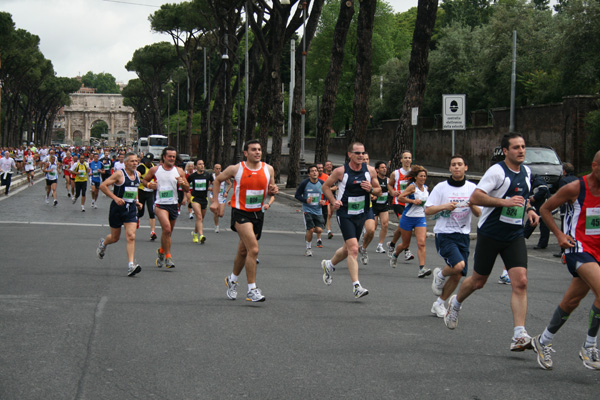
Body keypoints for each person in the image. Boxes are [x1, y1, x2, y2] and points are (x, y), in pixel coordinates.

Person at [444, 133, 539, 353]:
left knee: (521, 282)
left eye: (523, 146)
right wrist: (504, 201)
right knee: (478, 281)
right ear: (505, 151)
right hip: (491, 233)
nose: (521, 151)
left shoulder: (526, 171)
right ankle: (455, 303)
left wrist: (530, 209)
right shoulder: (497, 171)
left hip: (514, 234)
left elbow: (522, 197)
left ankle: (519, 334)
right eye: (516, 147)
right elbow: (476, 197)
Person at [531, 150, 600, 370]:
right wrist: (559, 236)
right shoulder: (575, 187)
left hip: (597, 251)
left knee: (571, 302)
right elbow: (545, 208)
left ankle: (542, 341)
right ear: (594, 165)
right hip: (577, 248)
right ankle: (589, 347)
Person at [211, 139, 279, 302]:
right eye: (254, 149)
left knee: (243, 251)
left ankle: (232, 280)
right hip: (240, 213)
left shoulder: (268, 169)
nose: (257, 152)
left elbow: (272, 189)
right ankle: (252, 289)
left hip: (258, 213)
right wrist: (215, 201)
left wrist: (274, 190)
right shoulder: (236, 168)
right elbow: (217, 180)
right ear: (246, 153)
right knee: (253, 250)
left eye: (260, 149)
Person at [320, 142, 381, 299]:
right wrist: (334, 201)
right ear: (349, 155)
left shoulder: (370, 171)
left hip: (362, 212)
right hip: (345, 213)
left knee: (347, 249)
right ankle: (356, 286)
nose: (361, 156)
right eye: (357, 153)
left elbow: (379, 190)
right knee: (354, 248)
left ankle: (329, 265)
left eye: (363, 153)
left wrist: (372, 190)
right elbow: (325, 187)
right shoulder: (340, 171)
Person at [425, 155, 481, 318]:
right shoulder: (441, 187)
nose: (456, 167)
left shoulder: (472, 188)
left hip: (463, 235)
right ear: (449, 168)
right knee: (458, 266)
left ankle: (439, 304)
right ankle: (440, 275)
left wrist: (473, 204)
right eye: (453, 165)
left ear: (466, 167)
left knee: (458, 273)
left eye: (459, 164)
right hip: (445, 234)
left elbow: (478, 213)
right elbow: (428, 210)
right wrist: (445, 206)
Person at [141, 146, 189, 269]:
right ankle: (168, 257)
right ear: (164, 157)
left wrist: (182, 183)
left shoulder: (179, 171)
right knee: (166, 229)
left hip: (173, 204)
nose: (172, 158)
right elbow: (144, 181)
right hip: (160, 204)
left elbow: (187, 189)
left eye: (174, 156)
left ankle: (161, 251)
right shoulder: (155, 170)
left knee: (168, 233)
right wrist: (150, 184)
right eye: (169, 156)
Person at [96, 152, 143, 277]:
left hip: (131, 208)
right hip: (117, 208)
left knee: (131, 236)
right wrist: (115, 198)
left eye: (136, 161)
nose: (134, 163)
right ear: (126, 163)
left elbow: (135, 188)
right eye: (132, 161)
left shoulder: (138, 174)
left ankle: (131, 265)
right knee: (115, 238)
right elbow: (103, 186)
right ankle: (103, 244)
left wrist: (137, 201)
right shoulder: (119, 174)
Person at [389, 165, 431, 278]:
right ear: (416, 177)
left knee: (421, 243)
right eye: (421, 176)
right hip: (407, 218)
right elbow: (401, 197)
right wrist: (413, 201)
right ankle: (395, 254)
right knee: (405, 244)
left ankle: (422, 268)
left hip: (420, 218)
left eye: (424, 176)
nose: (423, 178)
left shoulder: (426, 188)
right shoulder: (412, 187)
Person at [387, 150, 415, 261]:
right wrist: (392, 192)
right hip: (399, 202)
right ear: (401, 160)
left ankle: (392, 244)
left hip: (410, 203)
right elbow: (389, 185)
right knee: (405, 225)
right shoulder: (396, 173)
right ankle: (407, 250)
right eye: (405, 158)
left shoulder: (414, 173)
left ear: (411, 160)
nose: (407, 160)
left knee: (402, 226)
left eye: (409, 158)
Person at [295, 165, 326, 256]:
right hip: (307, 210)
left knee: (319, 230)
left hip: (318, 210)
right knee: (311, 229)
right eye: (312, 171)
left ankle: (308, 232)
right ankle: (308, 248)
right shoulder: (304, 183)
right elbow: (297, 195)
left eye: (316, 170)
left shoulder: (322, 183)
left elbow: (328, 193)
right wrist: (305, 200)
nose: (315, 172)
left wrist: (324, 201)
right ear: (309, 174)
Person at [553, 162, 578, 259]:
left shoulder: (564, 180)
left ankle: (563, 250)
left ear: (564, 171)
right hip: (576, 208)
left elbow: (561, 195)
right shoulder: (577, 179)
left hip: (566, 209)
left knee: (565, 228)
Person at [188, 159, 213, 244]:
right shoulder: (192, 176)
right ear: (196, 166)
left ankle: (195, 233)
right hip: (195, 198)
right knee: (199, 217)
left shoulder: (208, 175)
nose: (202, 166)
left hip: (204, 199)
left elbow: (215, 183)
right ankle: (201, 235)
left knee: (200, 219)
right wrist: (185, 196)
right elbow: (186, 186)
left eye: (203, 164)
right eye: (199, 164)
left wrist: (214, 190)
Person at [523, 174, 550, 249]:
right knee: (544, 226)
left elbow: (543, 189)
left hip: (541, 207)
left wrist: (534, 198)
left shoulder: (538, 181)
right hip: (542, 207)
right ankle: (542, 244)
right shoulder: (536, 181)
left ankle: (522, 238)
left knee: (532, 222)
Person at [358, 153, 375, 265]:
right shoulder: (352, 171)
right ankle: (351, 256)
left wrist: (373, 192)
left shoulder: (371, 172)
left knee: (371, 230)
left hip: (367, 207)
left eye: (367, 159)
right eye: (363, 159)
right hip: (354, 208)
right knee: (352, 239)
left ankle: (363, 249)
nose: (365, 161)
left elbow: (377, 188)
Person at [137, 153, 157, 241]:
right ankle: (136, 219)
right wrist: (143, 181)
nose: (147, 162)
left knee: (151, 212)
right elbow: (136, 177)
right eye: (146, 160)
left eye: (149, 161)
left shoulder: (154, 168)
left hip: (150, 192)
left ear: (152, 161)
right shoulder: (140, 167)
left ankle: (152, 232)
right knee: (141, 212)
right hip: (141, 191)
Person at [371, 161, 390, 254]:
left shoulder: (388, 180)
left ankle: (380, 245)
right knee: (372, 228)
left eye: (385, 167)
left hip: (384, 206)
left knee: (385, 224)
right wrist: (372, 196)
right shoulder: (374, 180)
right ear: (377, 170)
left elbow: (391, 190)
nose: (384, 169)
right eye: (382, 167)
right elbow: (369, 191)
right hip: (374, 206)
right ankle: (364, 240)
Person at [210, 163, 231, 233]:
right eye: (217, 168)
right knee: (216, 212)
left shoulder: (223, 175)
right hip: (213, 196)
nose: (218, 170)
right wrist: (210, 189)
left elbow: (230, 184)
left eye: (219, 168)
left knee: (221, 214)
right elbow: (207, 185)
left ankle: (217, 217)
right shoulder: (212, 176)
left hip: (222, 196)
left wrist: (226, 192)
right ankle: (217, 226)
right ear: (214, 169)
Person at [323, 160, 336, 239]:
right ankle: (329, 231)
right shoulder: (323, 176)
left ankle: (325, 223)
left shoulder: (334, 176)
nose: (329, 166)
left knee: (330, 214)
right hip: (325, 197)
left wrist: (328, 189)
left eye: (330, 165)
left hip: (333, 197)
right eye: (327, 165)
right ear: (325, 167)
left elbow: (336, 187)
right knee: (328, 213)